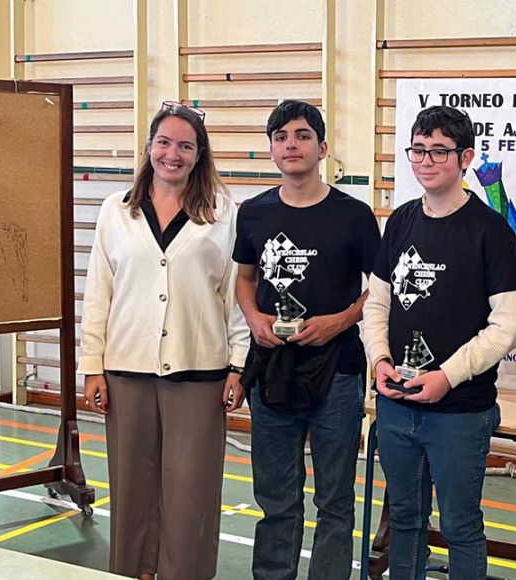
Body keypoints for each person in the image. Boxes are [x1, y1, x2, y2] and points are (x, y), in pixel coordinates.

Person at [78, 102, 249, 580]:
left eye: (185, 146)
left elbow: (235, 294)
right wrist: (93, 365)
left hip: (199, 371)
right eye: (164, 142)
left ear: (200, 155)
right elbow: (98, 292)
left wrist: (238, 365)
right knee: (132, 485)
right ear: (150, 146)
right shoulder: (116, 211)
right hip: (126, 369)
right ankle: (134, 572)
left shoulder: (222, 213)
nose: (173, 154)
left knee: (190, 490)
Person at [362, 105, 516, 579]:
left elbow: (509, 325)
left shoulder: (491, 230)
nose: (426, 160)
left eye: (439, 151)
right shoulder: (401, 221)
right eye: (418, 149)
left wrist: (446, 377)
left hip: (460, 410)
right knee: (406, 522)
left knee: (460, 526)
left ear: (466, 158)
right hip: (397, 402)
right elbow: (377, 304)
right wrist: (380, 362)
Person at [233, 100, 380, 580]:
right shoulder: (253, 213)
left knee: (335, 499)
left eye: (300, 135)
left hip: (337, 371)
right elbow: (244, 279)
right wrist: (254, 318)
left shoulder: (354, 215)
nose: (290, 144)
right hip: (272, 370)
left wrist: (339, 321)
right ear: (272, 149)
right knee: (276, 496)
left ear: (322, 147)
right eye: (280, 137)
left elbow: (380, 289)